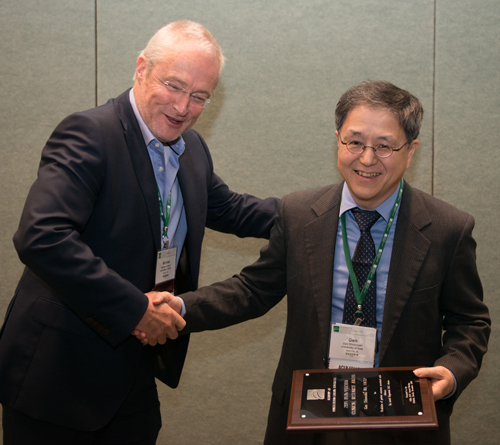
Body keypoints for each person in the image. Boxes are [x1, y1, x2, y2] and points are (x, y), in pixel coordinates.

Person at [0, 20, 279, 444]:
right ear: (141, 68)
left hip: (132, 370)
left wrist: (319, 212)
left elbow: (233, 210)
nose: (184, 106)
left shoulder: (192, 150)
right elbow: (42, 236)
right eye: (174, 85)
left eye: (199, 96)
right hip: (57, 378)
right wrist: (133, 308)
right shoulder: (90, 134)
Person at [174, 81, 491, 444]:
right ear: (338, 139)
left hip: (402, 422)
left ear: (411, 150)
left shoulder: (448, 229)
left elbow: (470, 321)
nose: (367, 159)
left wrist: (452, 372)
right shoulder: (298, 214)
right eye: (354, 142)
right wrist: (179, 308)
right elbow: (252, 290)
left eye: (384, 146)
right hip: (307, 418)